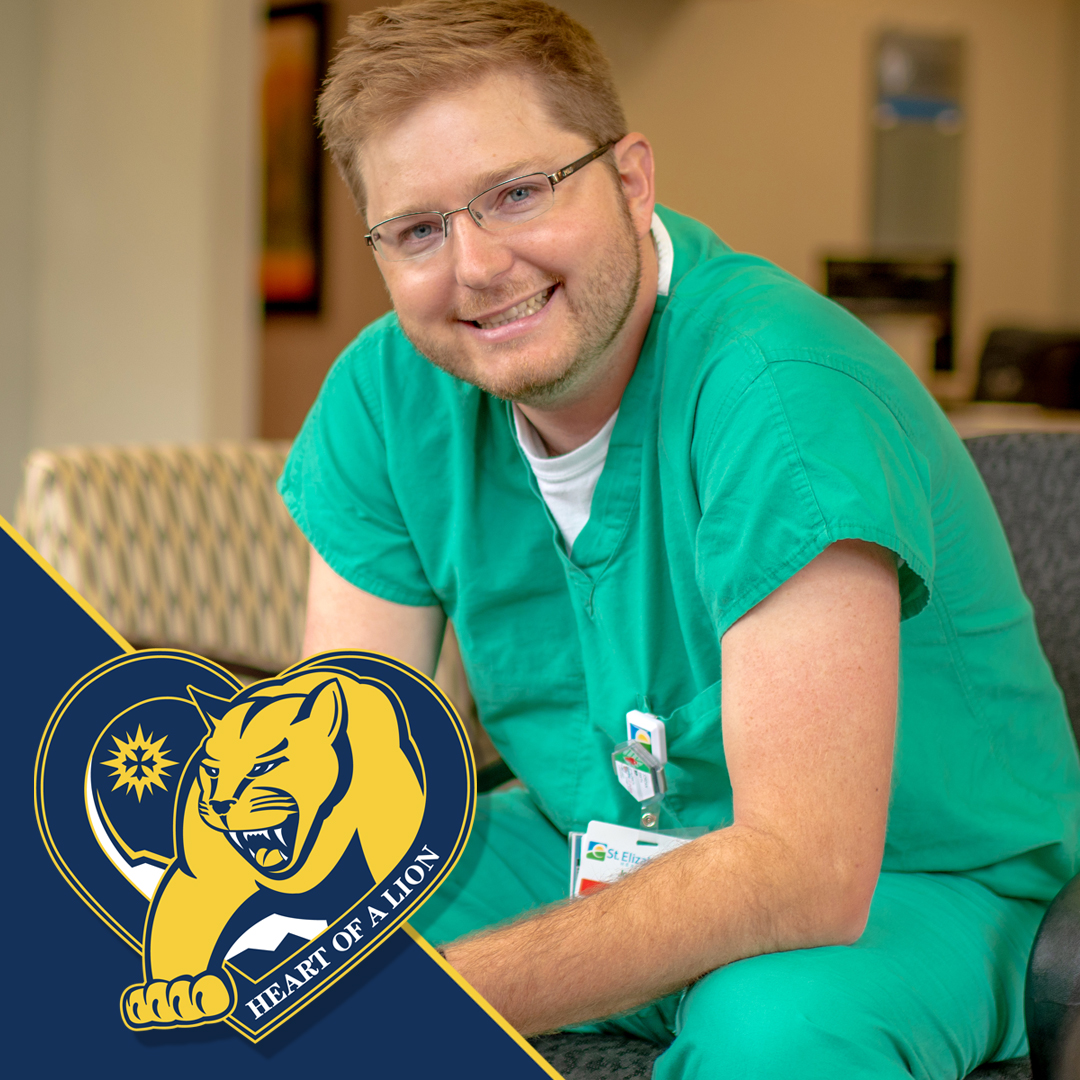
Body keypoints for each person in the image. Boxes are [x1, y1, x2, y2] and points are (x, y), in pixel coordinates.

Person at [279, 2, 1080, 1075]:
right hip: (595, 840)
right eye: (417, 229)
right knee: (296, 938)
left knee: (773, 1041)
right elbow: (344, 782)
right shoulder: (387, 399)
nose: (473, 266)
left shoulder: (778, 391)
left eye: (517, 193)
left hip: (907, 875)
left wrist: (443, 996)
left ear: (631, 179)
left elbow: (802, 869)